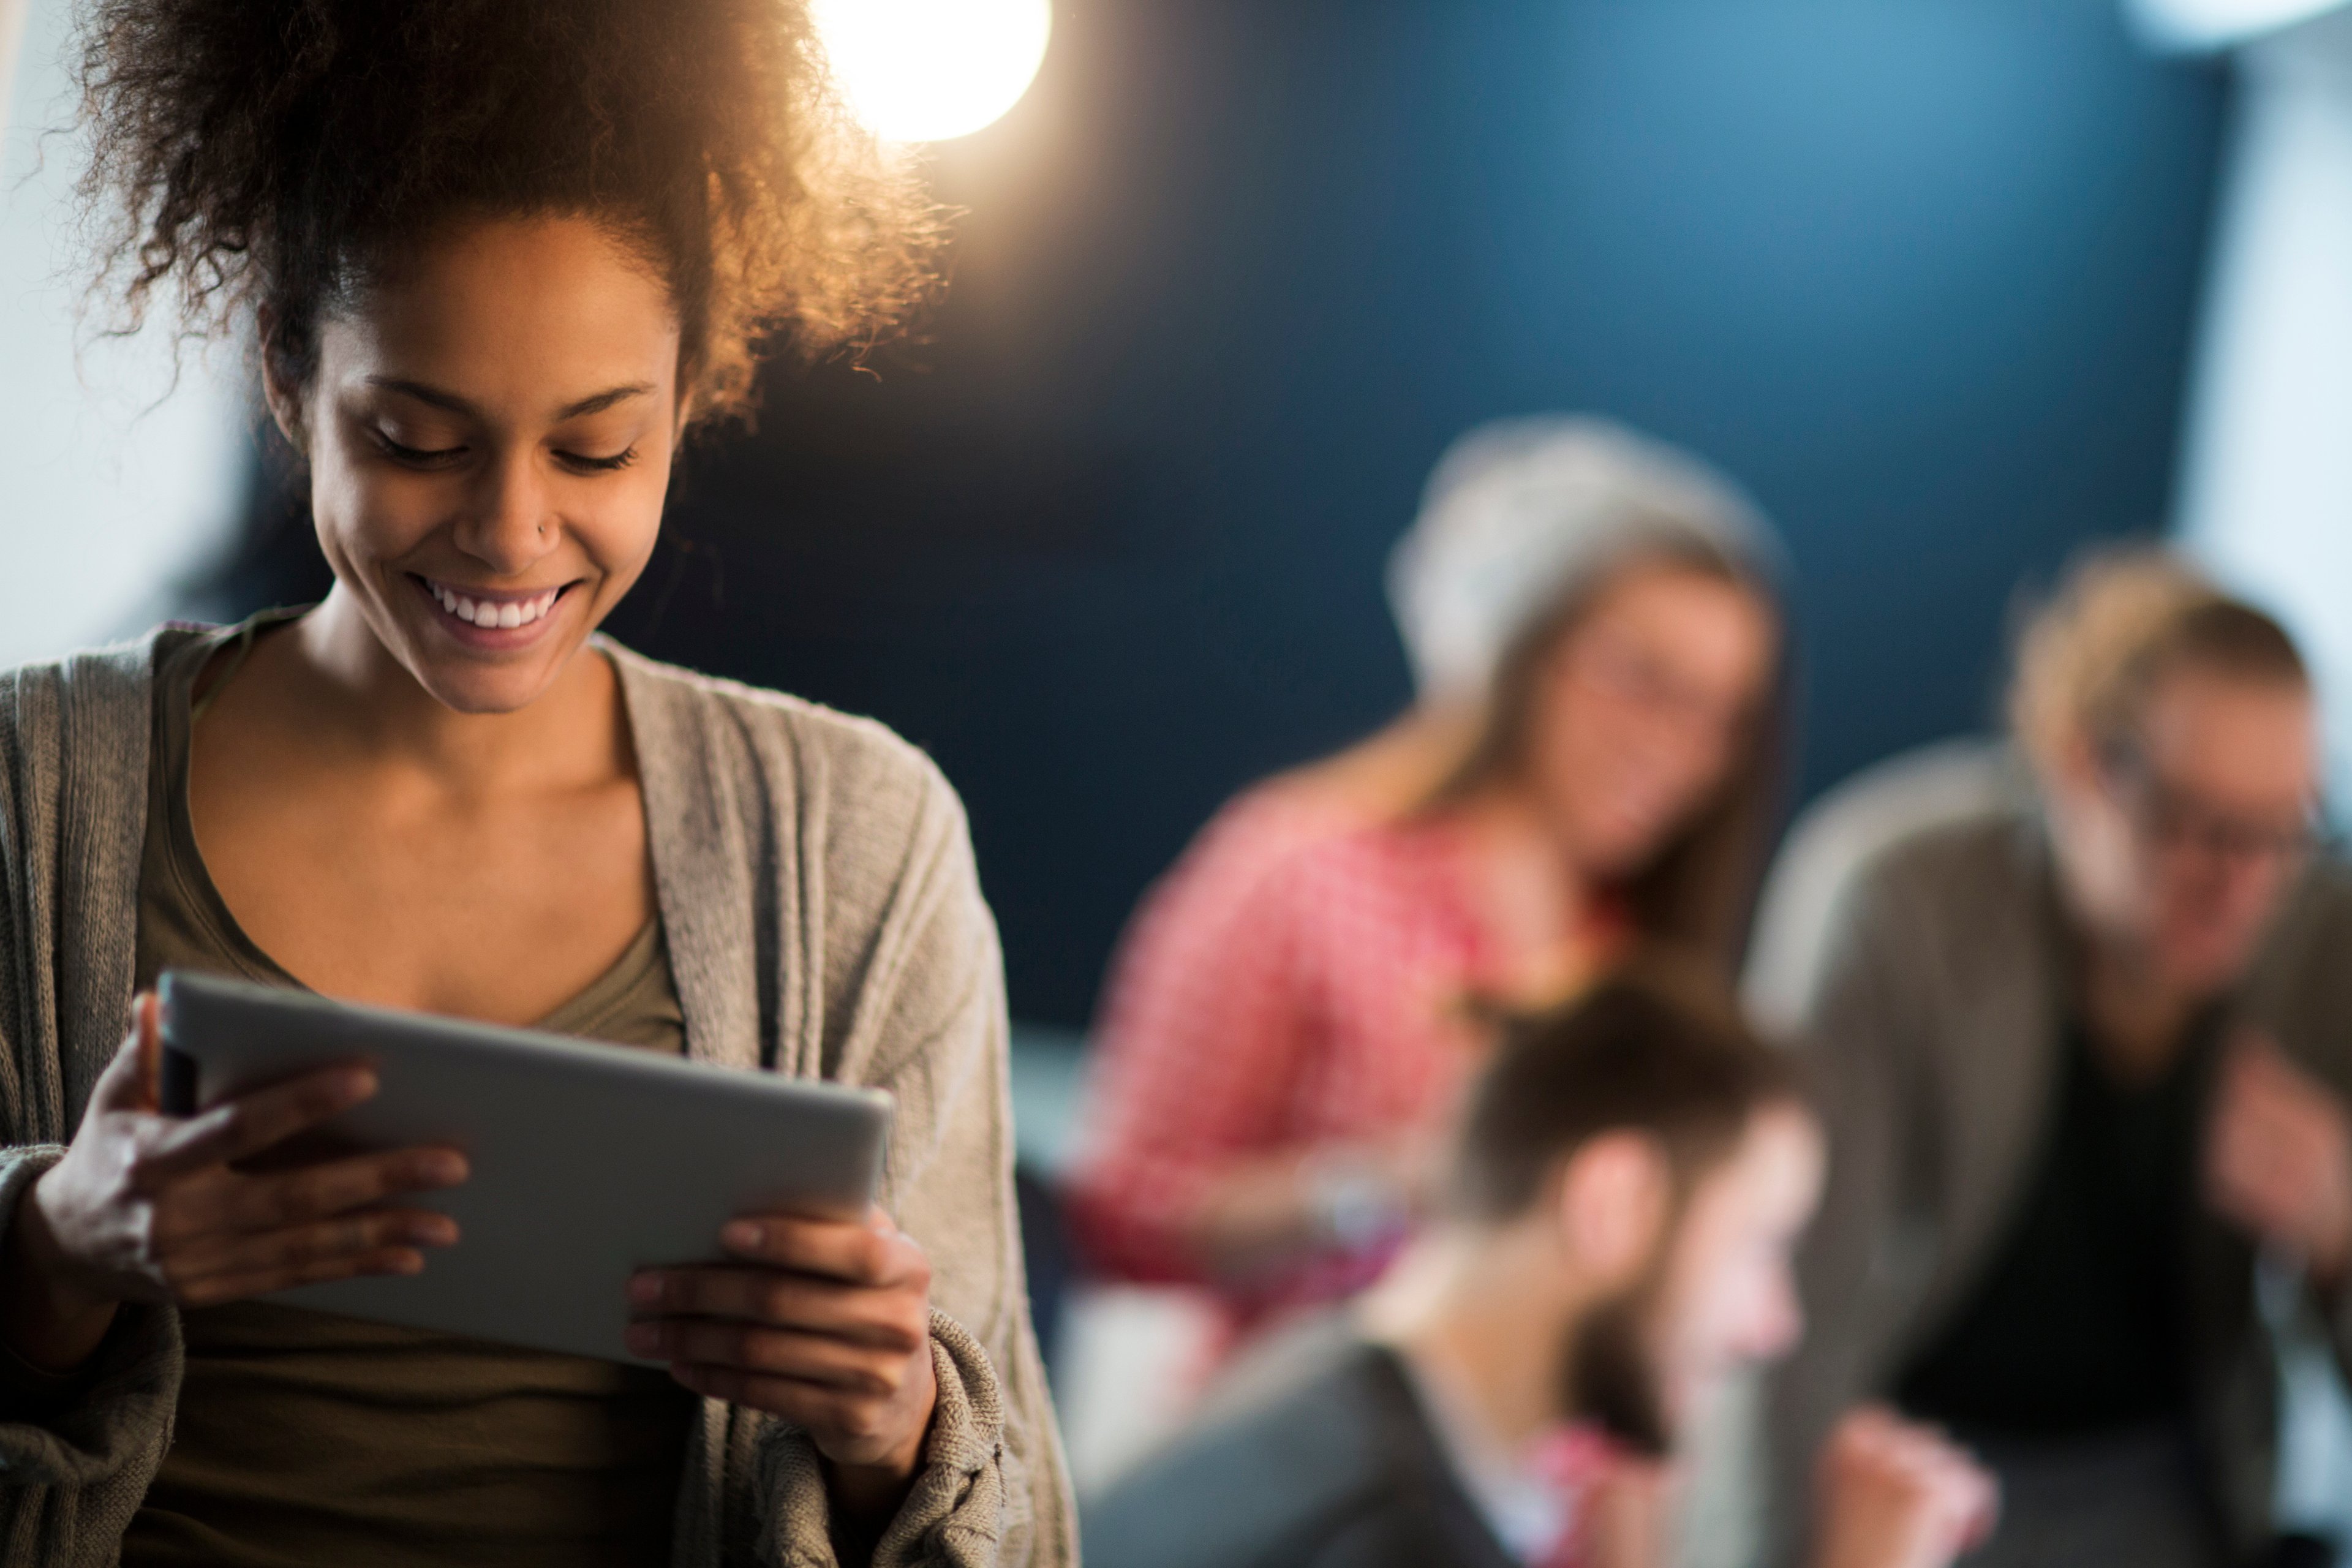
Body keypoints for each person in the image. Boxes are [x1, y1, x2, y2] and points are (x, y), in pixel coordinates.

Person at [0, 2, 1072, 1564]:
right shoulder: (31, 793)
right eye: (417, 437)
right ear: (291, 376)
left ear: (689, 400)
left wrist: (893, 1425)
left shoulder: (857, 845)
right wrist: (47, 1251)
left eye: (595, 450)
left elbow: (1024, 1528)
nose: (509, 534)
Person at [1067, 417, 1790, 1343]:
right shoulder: (1300, 869)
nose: (1680, 747)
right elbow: (1115, 1214)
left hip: (1538, 1486)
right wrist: (1390, 1185)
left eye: (1721, 714)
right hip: (1317, 1460)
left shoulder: (1640, 960)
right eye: (1642, 676)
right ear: (1519, 646)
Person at [1762, 548, 2352, 1567]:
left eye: (2281, 831)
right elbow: (1782, 1318)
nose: (2244, 886)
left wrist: (2343, 1230)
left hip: (2177, 1490)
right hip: (1921, 1469)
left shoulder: (2323, 938)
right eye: (2200, 827)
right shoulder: (1897, 900)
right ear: (2078, 763)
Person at [1083, 971, 1997, 1568]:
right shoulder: (1390, 1532)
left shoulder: (1328, 1393)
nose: (1774, 1323)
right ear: (1614, 1204)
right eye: (1760, 1246)